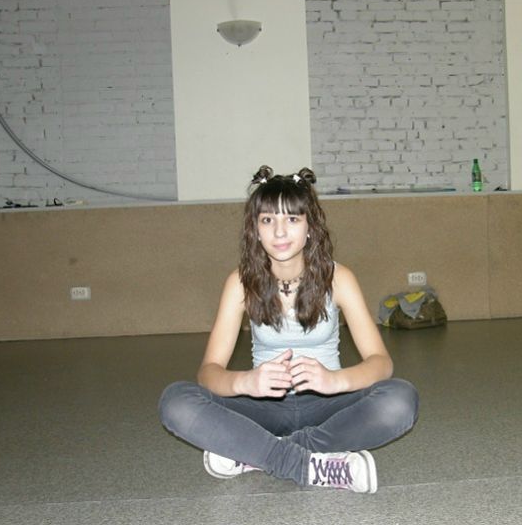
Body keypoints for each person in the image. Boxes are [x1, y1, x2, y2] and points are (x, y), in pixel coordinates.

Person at [159, 165, 419, 493]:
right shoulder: (240, 283)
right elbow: (208, 373)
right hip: (263, 407)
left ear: (310, 226)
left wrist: (334, 380)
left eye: (292, 219)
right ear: (255, 229)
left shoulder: (339, 278)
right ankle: (310, 464)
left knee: (400, 399)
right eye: (268, 220)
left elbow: (381, 363)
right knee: (176, 401)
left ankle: (255, 453)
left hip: (329, 406)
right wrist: (247, 382)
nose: (280, 232)